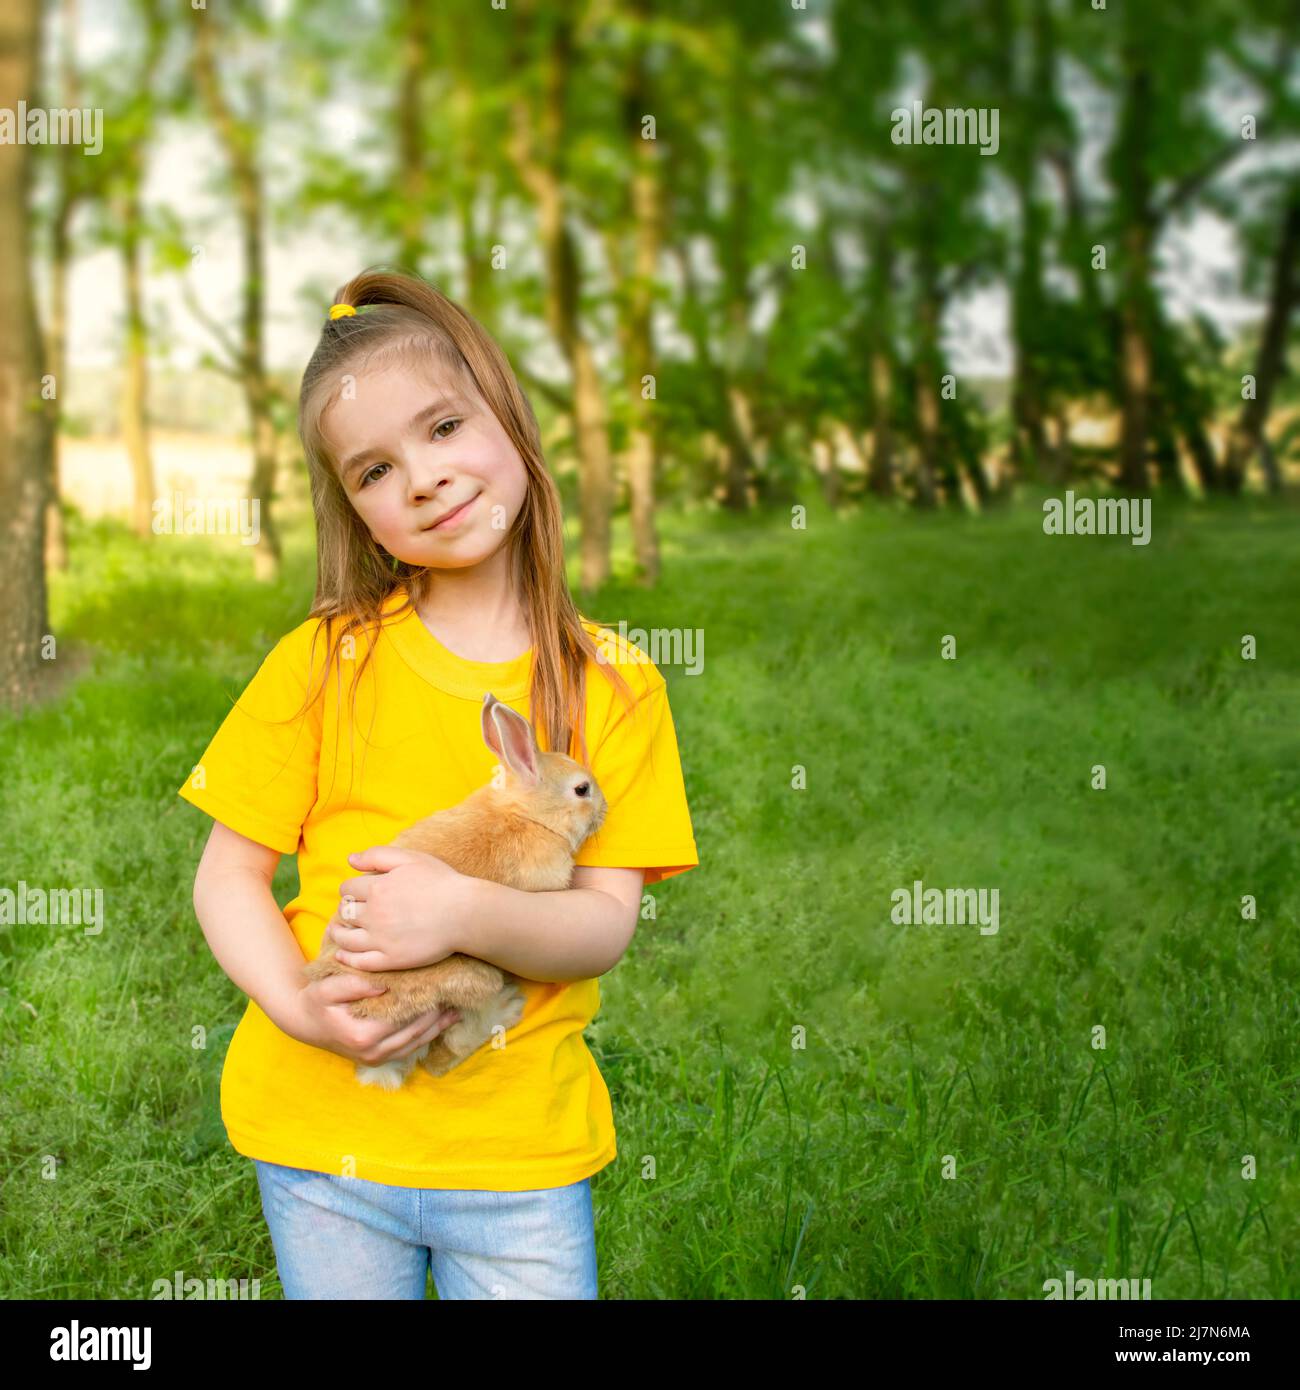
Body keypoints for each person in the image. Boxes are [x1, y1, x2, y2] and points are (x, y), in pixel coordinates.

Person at [177, 267, 699, 1299]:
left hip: (514, 1157)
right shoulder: (325, 662)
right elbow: (225, 879)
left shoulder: (616, 682)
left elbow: (603, 927)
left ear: (507, 416)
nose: (420, 477)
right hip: (324, 1143)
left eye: (445, 427)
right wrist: (297, 1006)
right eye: (374, 470)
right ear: (359, 514)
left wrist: (461, 906)